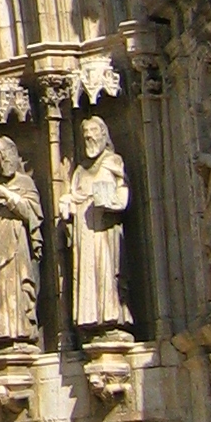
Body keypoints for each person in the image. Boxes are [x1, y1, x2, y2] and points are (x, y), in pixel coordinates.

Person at [62, 114, 131, 332]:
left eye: (93, 132)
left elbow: (123, 194)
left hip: (105, 228)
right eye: (85, 134)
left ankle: (112, 316)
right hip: (84, 232)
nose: (89, 137)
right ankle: (90, 320)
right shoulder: (80, 170)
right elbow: (76, 196)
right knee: (87, 275)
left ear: (103, 134)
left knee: (107, 270)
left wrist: (110, 202)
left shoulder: (113, 161)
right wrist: (68, 203)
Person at [0, 135, 42, 347]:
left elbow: (32, 214)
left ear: (12, 154)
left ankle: (22, 332)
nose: (1, 159)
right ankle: (1, 333)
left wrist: (7, 196)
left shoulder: (25, 183)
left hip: (18, 244)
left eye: (3, 153)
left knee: (18, 285)